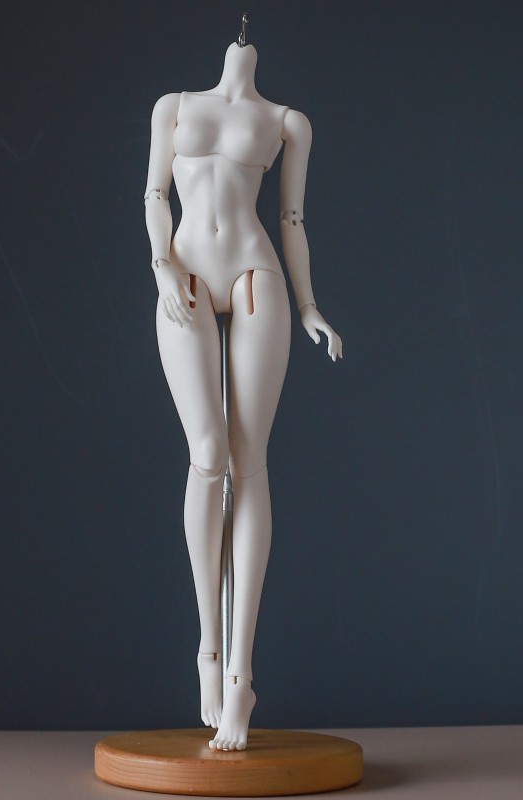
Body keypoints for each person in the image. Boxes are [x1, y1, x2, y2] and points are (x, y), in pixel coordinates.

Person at [144, 40, 343, 752]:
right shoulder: (173, 107)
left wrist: (310, 306)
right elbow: (155, 195)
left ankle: (240, 678)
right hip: (188, 276)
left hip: (257, 273)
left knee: (247, 462)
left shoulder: (288, 122)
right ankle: (208, 648)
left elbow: (291, 219)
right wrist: (161, 265)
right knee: (207, 453)